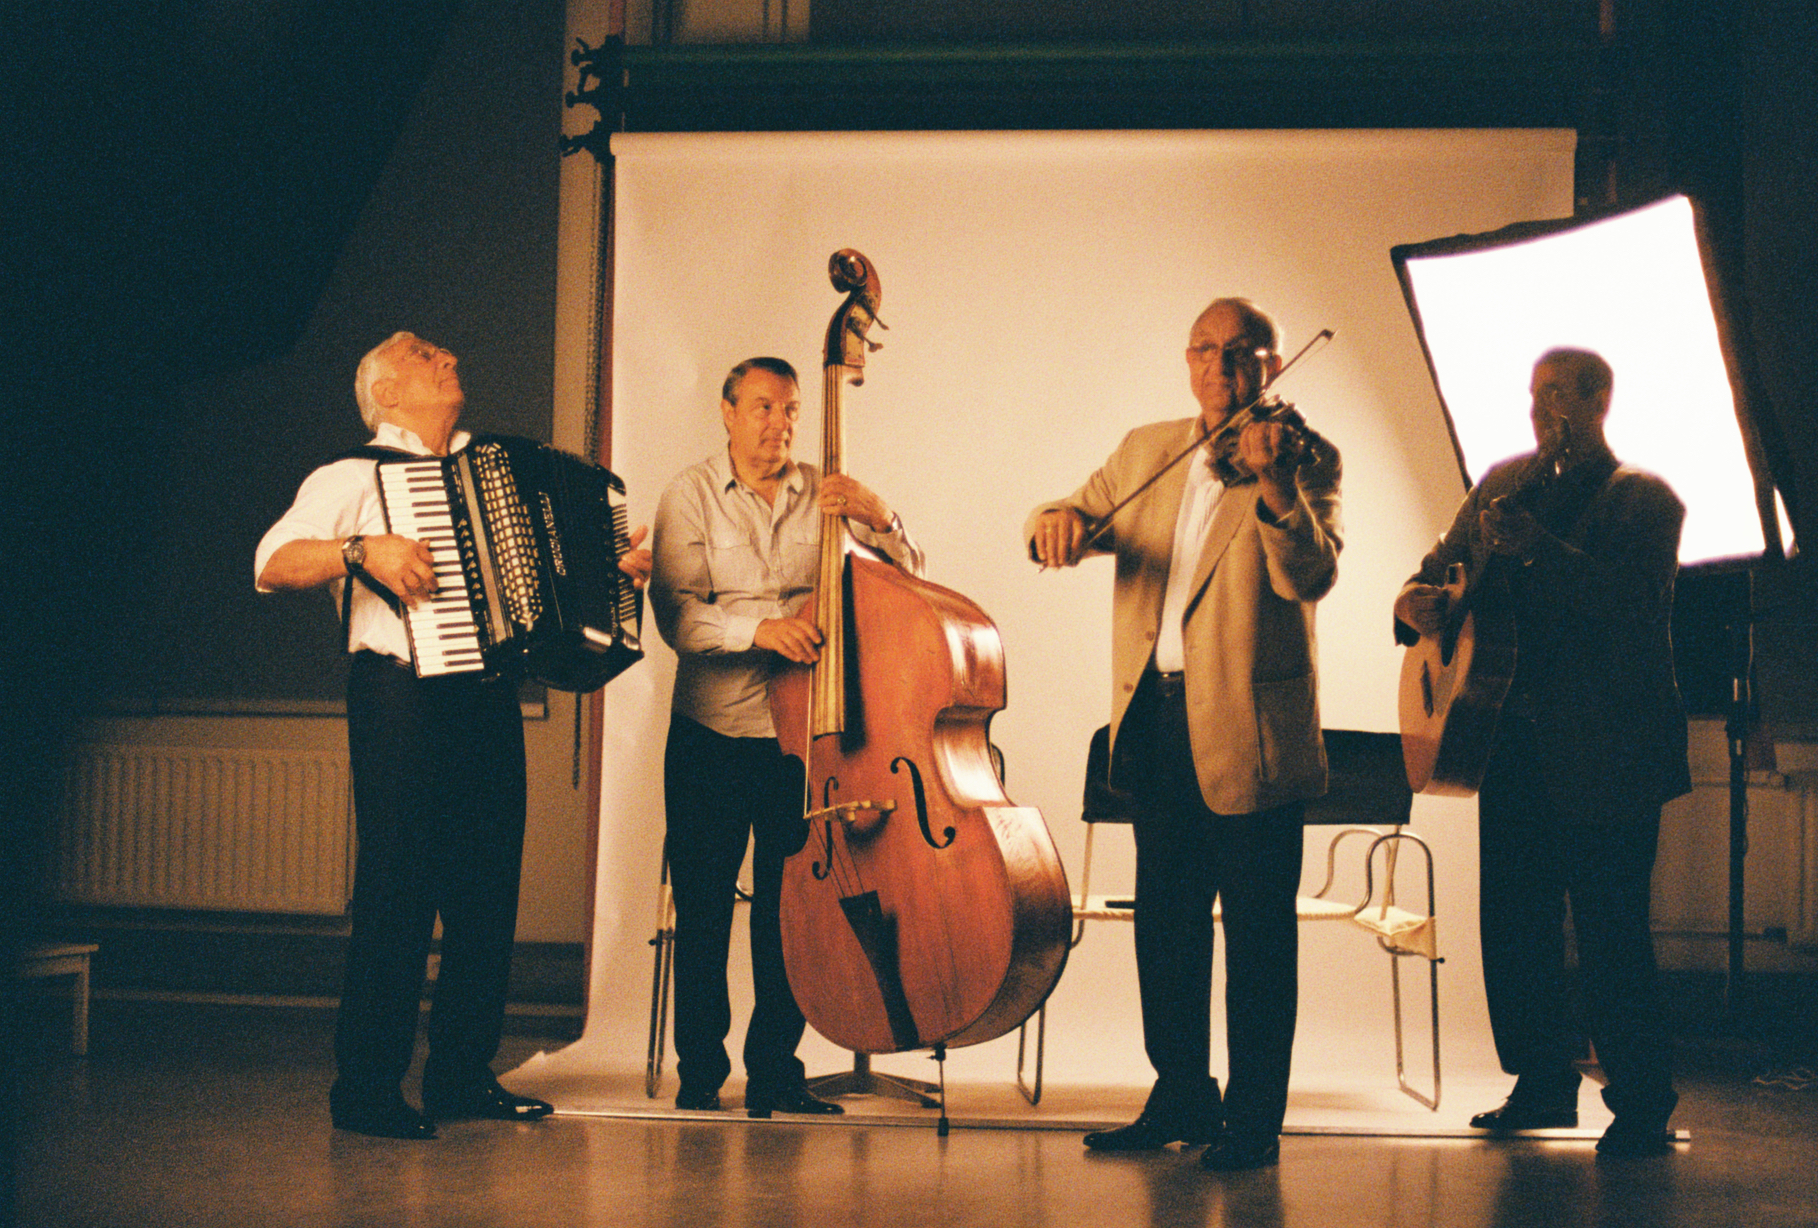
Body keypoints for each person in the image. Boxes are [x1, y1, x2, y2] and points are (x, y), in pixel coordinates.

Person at [255, 332, 652, 1139]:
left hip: (488, 696)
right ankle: (365, 1088)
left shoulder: (492, 468)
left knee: (486, 892)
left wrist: (610, 575)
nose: (443, 355)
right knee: (397, 888)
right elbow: (270, 562)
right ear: (386, 393)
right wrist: (361, 549)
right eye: (419, 353)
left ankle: (461, 1075)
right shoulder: (353, 475)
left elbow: (548, 581)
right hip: (399, 695)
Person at [1026, 298, 1342, 1172]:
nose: (1220, 368)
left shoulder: (1307, 457)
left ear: (1271, 364)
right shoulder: (1147, 449)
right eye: (1204, 350)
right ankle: (1180, 1094)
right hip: (1156, 722)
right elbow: (1073, 511)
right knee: (1165, 926)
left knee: (1258, 937)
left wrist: (1275, 485)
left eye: (1241, 353)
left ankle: (1253, 1121)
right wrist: (1054, 522)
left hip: (1249, 728)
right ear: (1188, 360)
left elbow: (1310, 575)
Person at [1393, 347, 1687, 1158]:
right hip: (1507, 741)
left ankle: (1641, 1104)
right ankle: (1542, 1084)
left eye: (1556, 394)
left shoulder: (1645, 499)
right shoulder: (1501, 483)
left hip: (1607, 748)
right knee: (1516, 924)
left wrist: (1539, 549)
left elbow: (1634, 604)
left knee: (1611, 931)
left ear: (1599, 400)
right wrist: (1414, 602)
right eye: (1533, 394)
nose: (1538, 409)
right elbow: (1434, 572)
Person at [650, 356, 926, 1118]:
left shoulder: (829, 496)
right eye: (764, 407)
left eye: (792, 409)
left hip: (802, 742)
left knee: (790, 915)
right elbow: (678, 617)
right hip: (710, 734)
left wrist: (882, 517)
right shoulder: (690, 495)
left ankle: (775, 1071)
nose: (780, 423)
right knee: (704, 910)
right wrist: (762, 630)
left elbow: (908, 578)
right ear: (728, 412)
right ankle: (700, 1075)